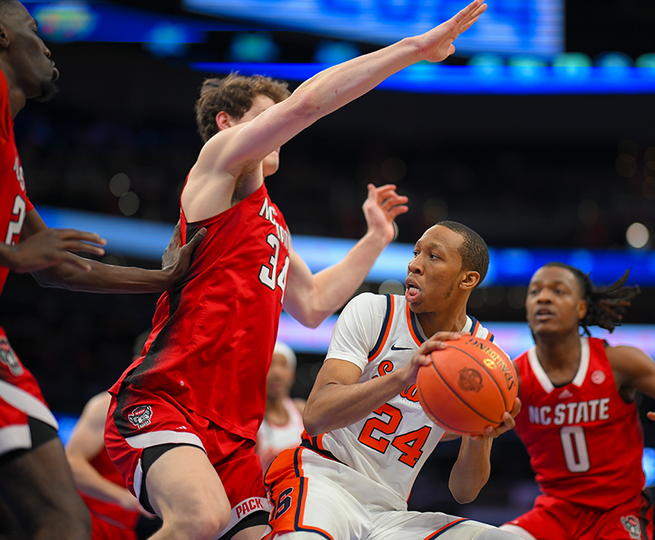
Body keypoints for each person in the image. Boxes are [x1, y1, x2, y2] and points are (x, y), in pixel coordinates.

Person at [104, 3, 489, 539]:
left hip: (235, 432)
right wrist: (414, 50)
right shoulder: (220, 164)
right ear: (228, 122)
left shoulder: (273, 225)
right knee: (199, 519)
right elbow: (309, 103)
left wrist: (376, 240)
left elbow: (311, 304)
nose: (283, 126)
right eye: (269, 115)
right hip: (170, 399)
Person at [0, 2, 202, 539]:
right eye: (34, 30)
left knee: (58, 522)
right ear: (1, 35)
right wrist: (10, 256)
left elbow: (57, 267)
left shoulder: (8, 150)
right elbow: (29, 258)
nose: (47, 46)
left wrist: (162, 280)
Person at [263, 221, 522, 540]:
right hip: (325, 479)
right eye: (416, 253)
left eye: (434, 256)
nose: (414, 264)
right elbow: (316, 416)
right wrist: (402, 377)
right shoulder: (374, 312)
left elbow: (464, 492)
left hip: (391, 509)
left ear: (468, 279)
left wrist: (482, 434)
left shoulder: (487, 359)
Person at [499, 263, 655, 540]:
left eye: (558, 291)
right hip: (556, 511)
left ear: (581, 308)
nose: (543, 297)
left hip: (619, 510)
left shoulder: (617, 362)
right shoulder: (511, 378)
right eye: (535, 292)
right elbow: (455, 429)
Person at [65, 331, 161, 540]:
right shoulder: (107, 404)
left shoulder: (164, 416)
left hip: (123, 528)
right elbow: (71, 463)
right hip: (88, 521)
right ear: (139, 361)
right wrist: (122, 498)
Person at [256, 341, 305, 470]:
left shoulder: (301, 410)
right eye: (271, 364)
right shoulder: (253, 423)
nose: (277, 372)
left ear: (292, 375)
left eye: (283, 365)